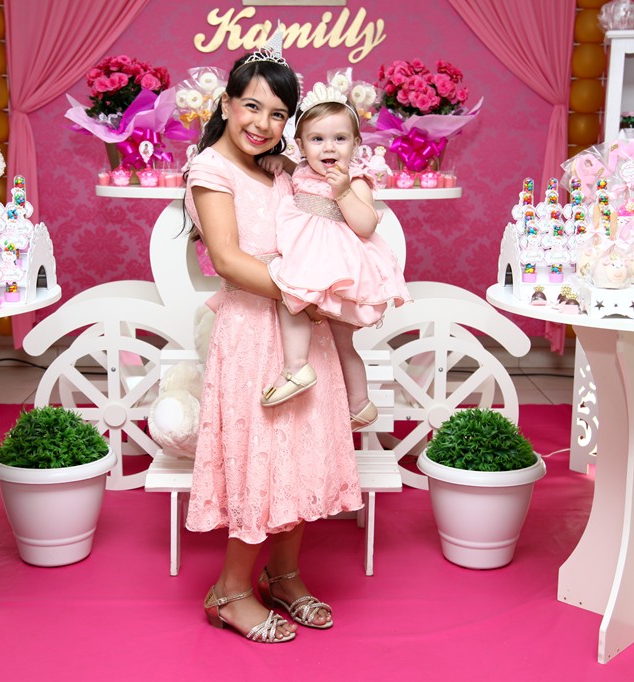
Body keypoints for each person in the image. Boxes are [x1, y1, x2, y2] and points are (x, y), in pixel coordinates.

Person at [183, 44, 362, 644]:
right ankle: (230, 591)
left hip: (303, 327)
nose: (262, 123)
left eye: (278, 113)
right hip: (256, 329)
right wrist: (309, 294)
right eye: (251, 106)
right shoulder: (211, 170)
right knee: (261, 455)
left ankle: (283, 576)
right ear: (226, 104)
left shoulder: (282, 168)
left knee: (300, 452)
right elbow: (229, 260)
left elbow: (330, 223)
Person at [258, 84, 411, 431]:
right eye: (317, 139)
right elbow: (294, 169)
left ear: (356, 144)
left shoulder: (356, 181)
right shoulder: (301, 170)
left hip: (338, 266)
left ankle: (316, 378)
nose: (329, 147)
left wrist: (342, 192)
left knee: (304, 307)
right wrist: (281, 162)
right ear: (301, 147)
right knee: (297, 304)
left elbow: (366, 225)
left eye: (340, 139)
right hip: (312, 259)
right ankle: (328, 384)